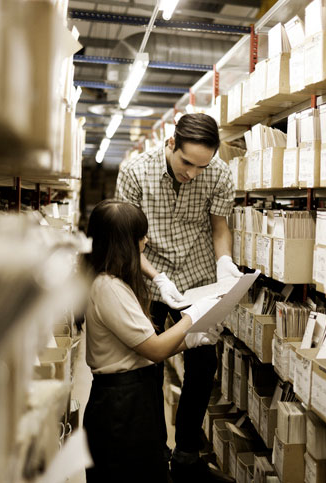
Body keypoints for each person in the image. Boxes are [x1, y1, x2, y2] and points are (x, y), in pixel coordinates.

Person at [115, 113, 241, 481]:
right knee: (148, 364)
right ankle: (156, 448)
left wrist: (225, 262)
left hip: (199, 273)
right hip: (151, 275)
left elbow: (220, 228)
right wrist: (158, 277)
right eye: (187, 163)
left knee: (203, 363)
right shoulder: (135, 172)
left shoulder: (218, 174)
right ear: (171, 143)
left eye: (202, 166)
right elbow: (126, 242)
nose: (193, 174)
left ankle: (187, 451)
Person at [82, 199, 223, 483]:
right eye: (141, 235)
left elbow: (143, 346)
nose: (146, 241)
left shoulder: (112, 282)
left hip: (131, 398)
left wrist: (191, 340)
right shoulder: (108, 288)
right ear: (125, 242)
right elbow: (155, 349)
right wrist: (193, 317)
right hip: (120, 407)